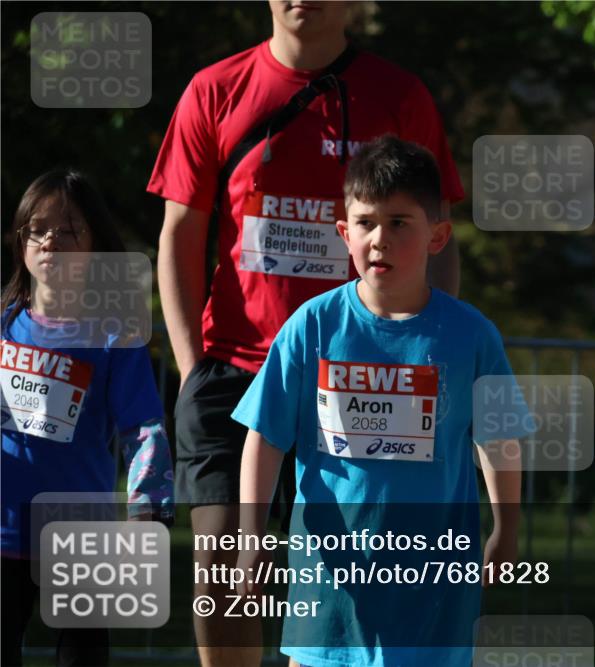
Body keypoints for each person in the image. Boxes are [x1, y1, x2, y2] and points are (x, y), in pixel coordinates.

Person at [147, 3, 464, 664]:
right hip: (232, 371)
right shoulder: (215, 89)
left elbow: (439, 238)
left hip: (359, 373)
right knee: (225, 567)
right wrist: (190, 366)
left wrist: (426, 351)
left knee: (353, 574)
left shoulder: (400, 96)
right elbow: (180, 233)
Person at [230, 135, 520, 667]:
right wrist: (251, 535)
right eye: (365, 223)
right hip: (329, 579)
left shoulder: (471, 336)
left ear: (437, 236)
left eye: (399, 223)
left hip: (434, 580)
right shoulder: (311, 327)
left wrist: (507, 527)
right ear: (345, 233)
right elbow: (265, 437)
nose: (379, 239)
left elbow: (497, 438)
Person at [1, 168, 174, 666]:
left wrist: (148, 514)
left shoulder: (115, 338)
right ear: (21, 241)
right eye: (39, 227)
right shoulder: (3, 329)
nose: (52, 238)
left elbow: (144, 432)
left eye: (70, 228)